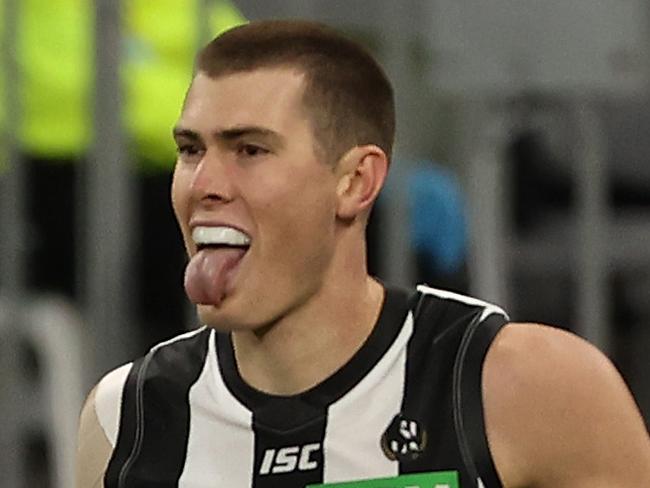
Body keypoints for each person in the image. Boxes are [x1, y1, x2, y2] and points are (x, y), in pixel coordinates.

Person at [76, 20, 650, 488]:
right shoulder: (126, 417)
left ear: (355, 182)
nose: (204, 183)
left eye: (249, 149)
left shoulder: (524, 388)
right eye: (190, 149)